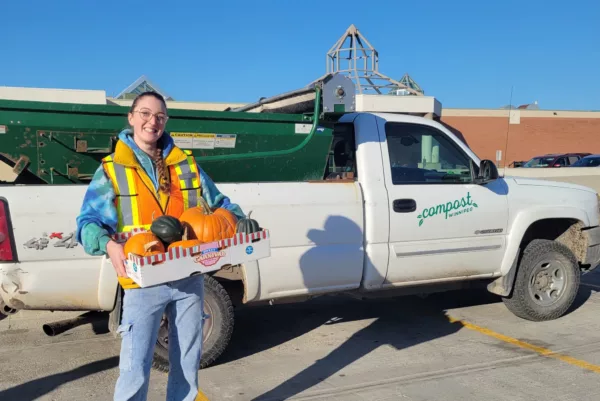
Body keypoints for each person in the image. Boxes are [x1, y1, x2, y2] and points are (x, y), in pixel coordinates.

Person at [76, 91, 244, 401]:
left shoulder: (186, 165)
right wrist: (109, 247)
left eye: (159, 116)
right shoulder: (113, 169)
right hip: (142, 281)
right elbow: (87, 224)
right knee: (135, 365)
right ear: (131, 117)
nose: (152, 121)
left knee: (186, 362)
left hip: (189, 277)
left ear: (165, 121)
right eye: (144, 113)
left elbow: (220, 204)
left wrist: (241, 221)